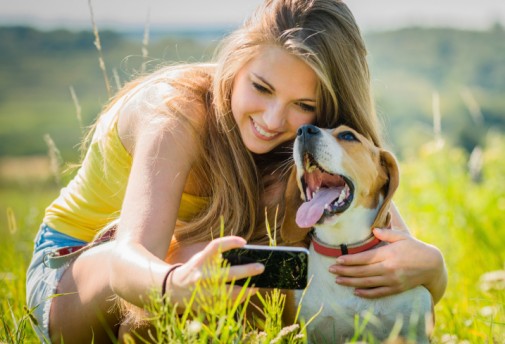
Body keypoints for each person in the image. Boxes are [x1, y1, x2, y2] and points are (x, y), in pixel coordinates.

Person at [26, 0, 447, 342]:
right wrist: (174, 285)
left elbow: (392, 255)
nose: (272, 118)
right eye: (261, 88)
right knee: (228, 259)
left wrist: (434, 268)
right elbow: (127, 260)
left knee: (282, 250)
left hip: (185, 273)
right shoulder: (175, 113)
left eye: (303, 106)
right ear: (237, 63)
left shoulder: (309, 148)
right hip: (78, 272)